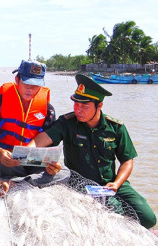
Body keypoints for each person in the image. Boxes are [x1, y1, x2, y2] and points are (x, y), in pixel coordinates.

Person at [30, 74, 156, 229]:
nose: (78, 110)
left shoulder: (115, 128)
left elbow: (127, 160)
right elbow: (39, 142)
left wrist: (116, 183)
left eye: (84, 106)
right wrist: (25, 153)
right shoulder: (67, 123)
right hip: (82, 183)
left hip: (113, 182)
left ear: (99, 106)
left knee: (148, 218)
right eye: (76, 105)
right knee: (113, 212)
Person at [0, 60, 66, 193]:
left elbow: (49, 149)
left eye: (35, 85)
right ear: (17, 80)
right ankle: (28, 181)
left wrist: (52, 165)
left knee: (64, 173)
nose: (30, 89)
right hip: (7, 161)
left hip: (32, 163)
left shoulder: (48, 110)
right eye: (26, 83)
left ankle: (14, 183)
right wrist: (0, 153)